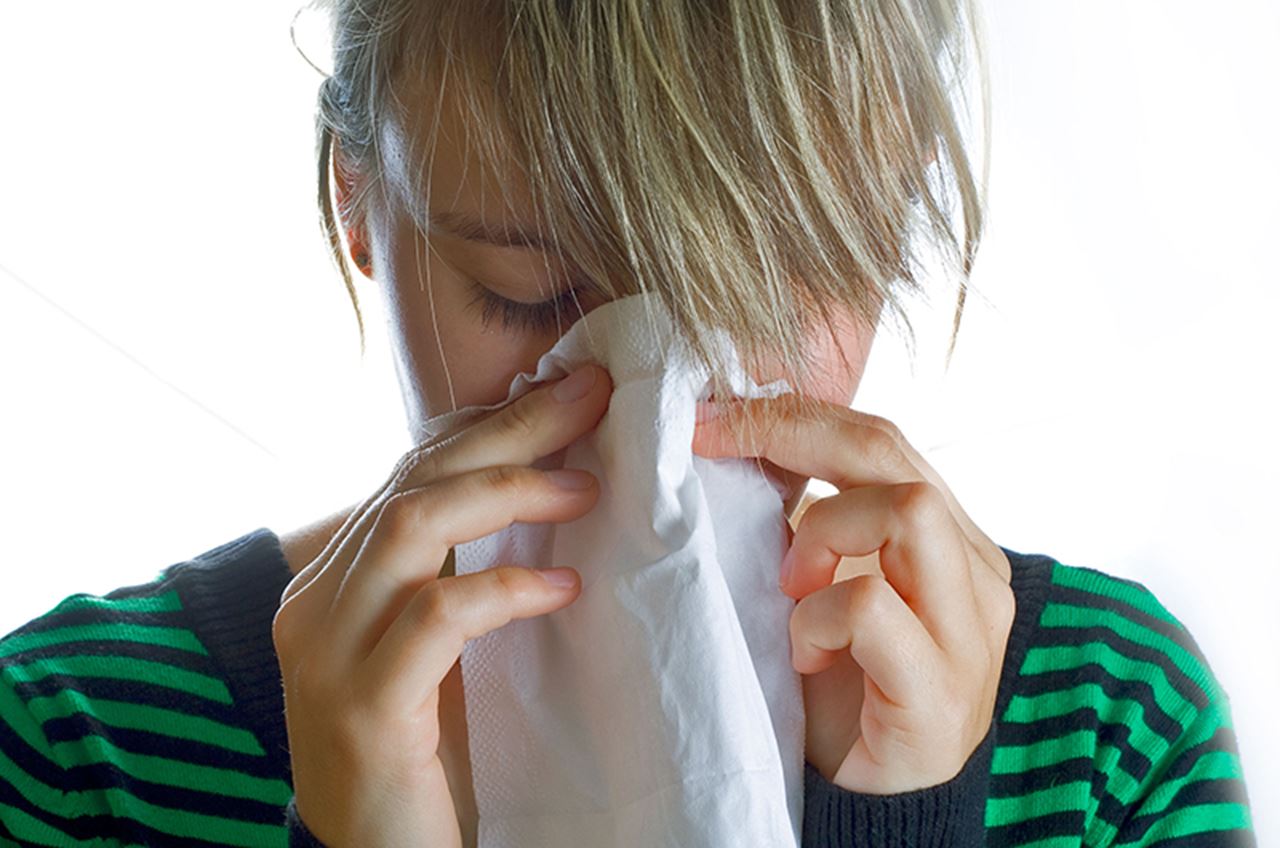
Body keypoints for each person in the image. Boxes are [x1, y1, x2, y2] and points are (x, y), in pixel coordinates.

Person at [0, 0, 1257, 845]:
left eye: (766, 290)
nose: (653, 406)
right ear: (355, 201)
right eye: (530, 294)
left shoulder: (1104, 731)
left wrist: (903, 816)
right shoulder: (71, 745)